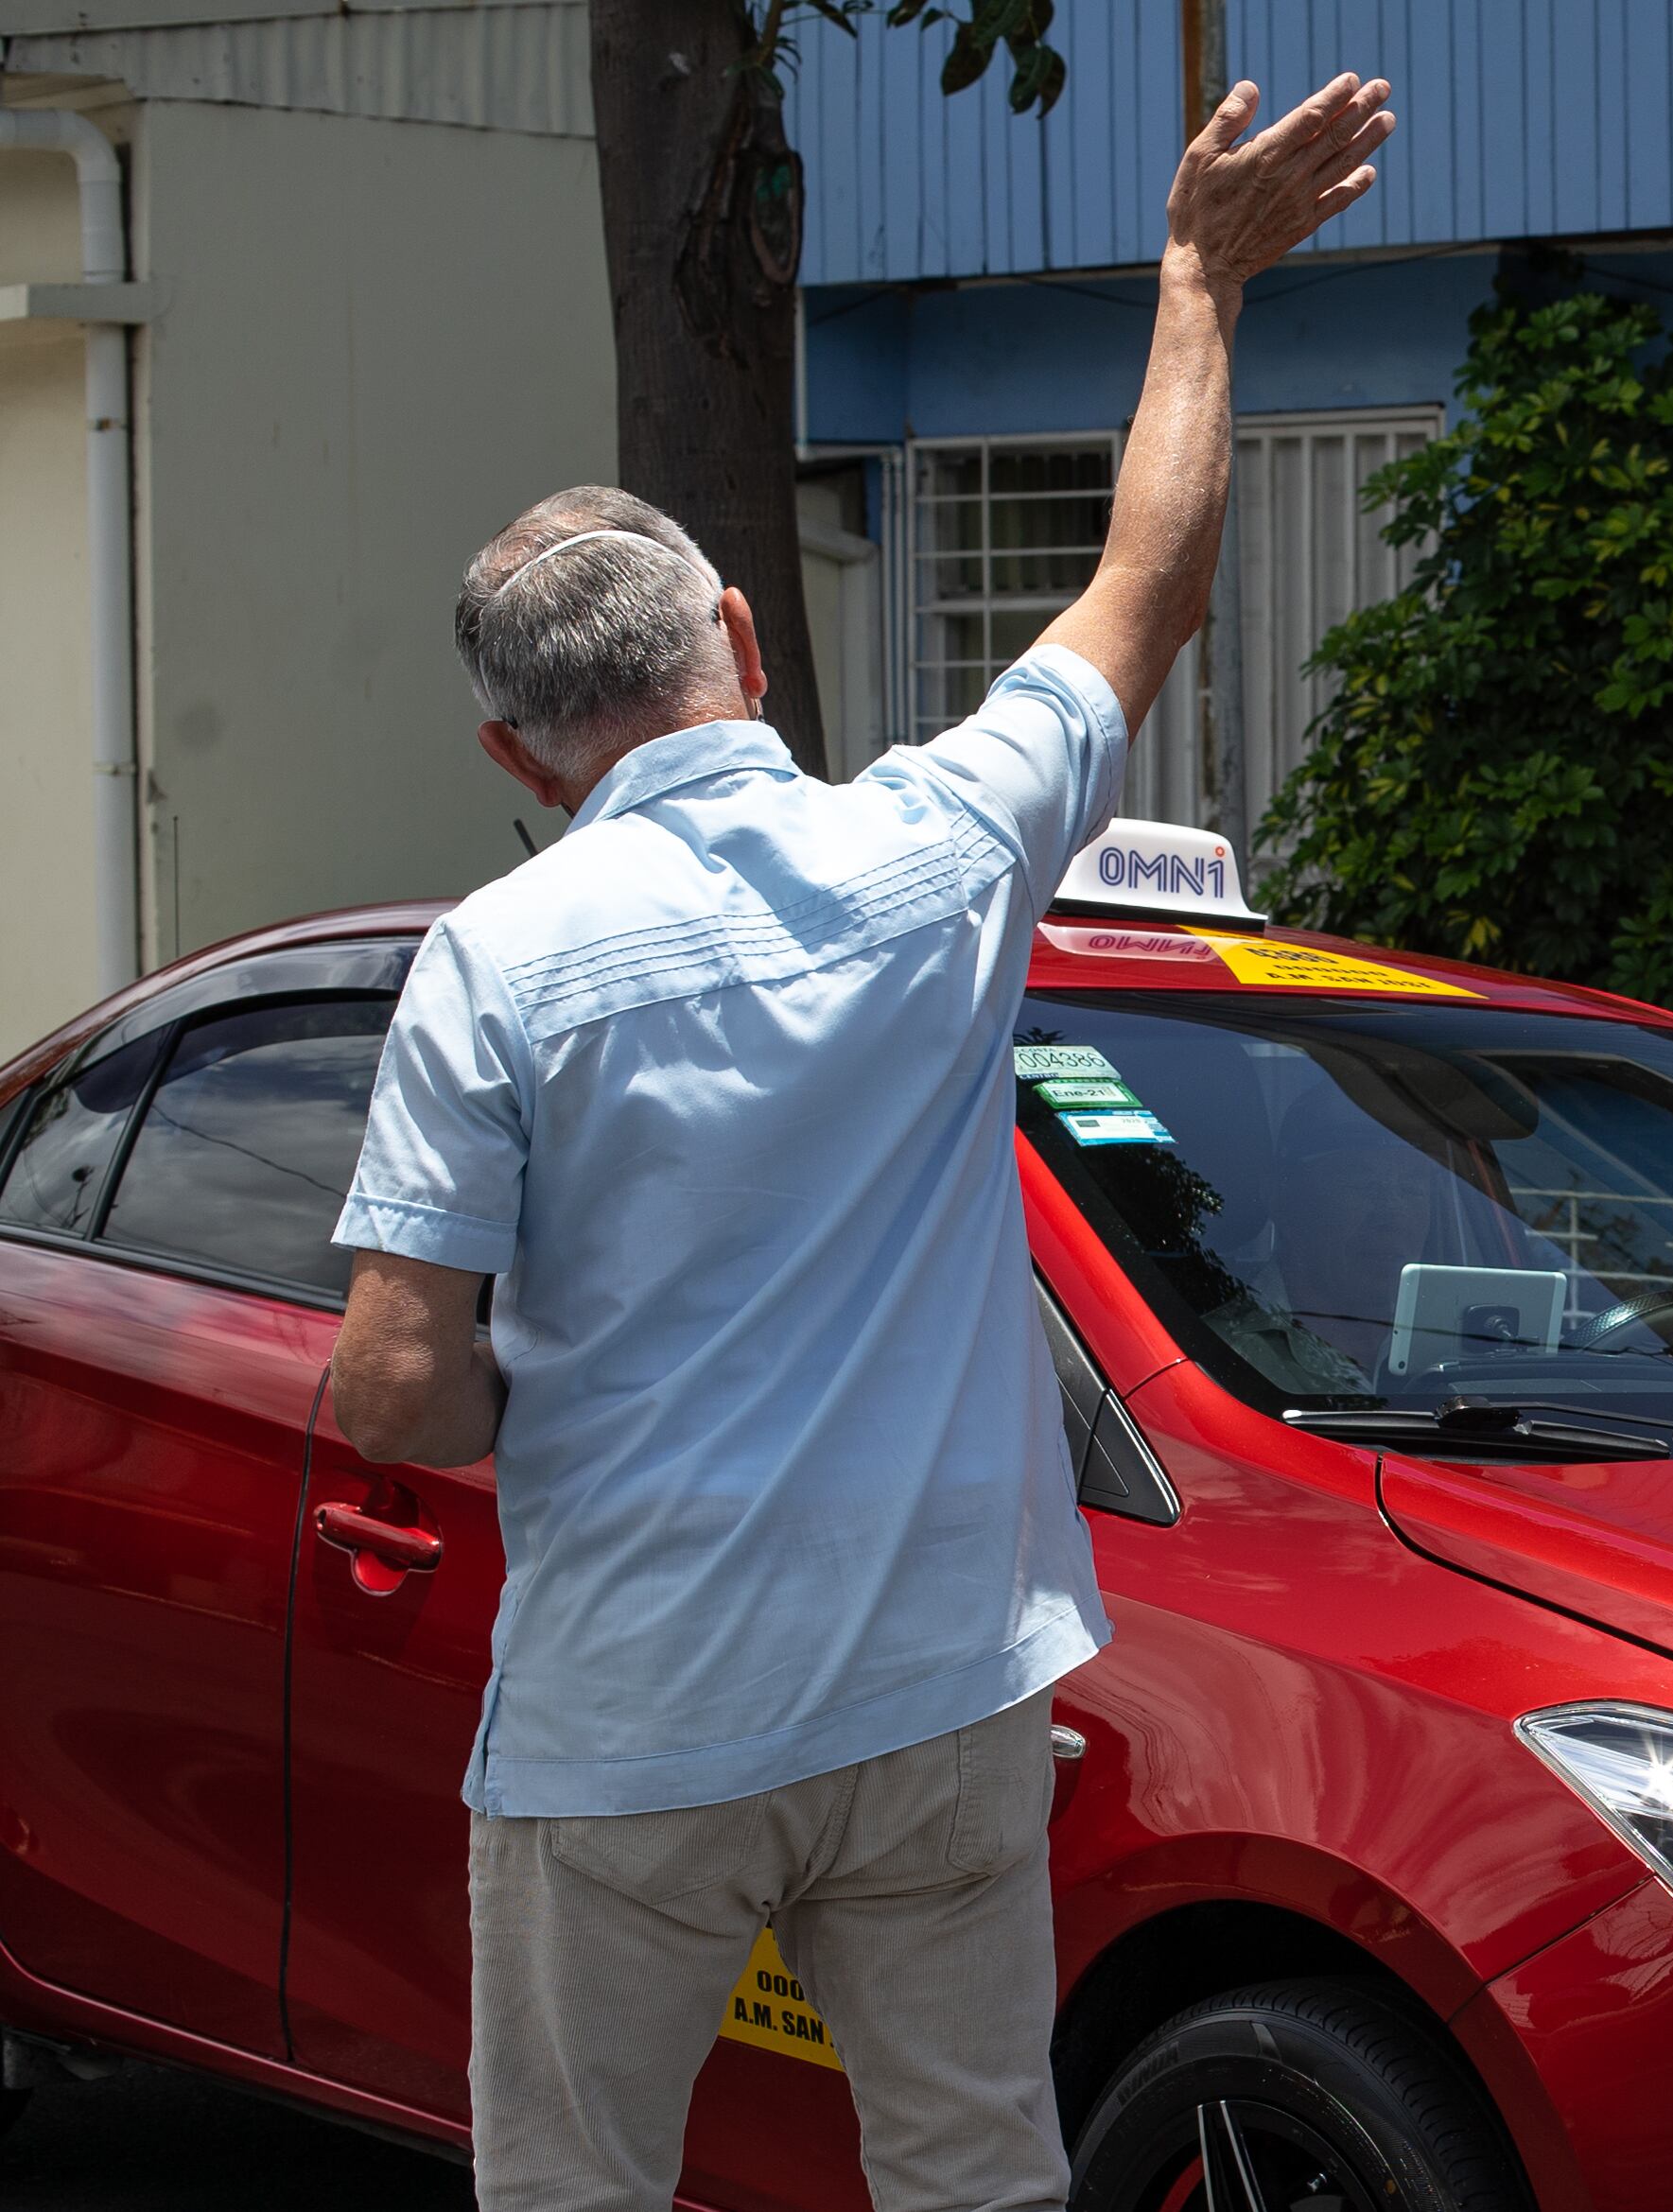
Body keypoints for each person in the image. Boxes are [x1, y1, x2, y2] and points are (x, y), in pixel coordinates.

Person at [322, 71, 1394, 2212]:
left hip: (636, 1723)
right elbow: (1145, 585)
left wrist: (448, 1368)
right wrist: (1197, 281)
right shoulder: (942, 851)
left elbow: (402, 1381)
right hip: (935, 1696)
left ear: (515, 757)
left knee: (580, 2183)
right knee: (977, 2173)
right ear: (737, 640)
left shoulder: (499, 965)